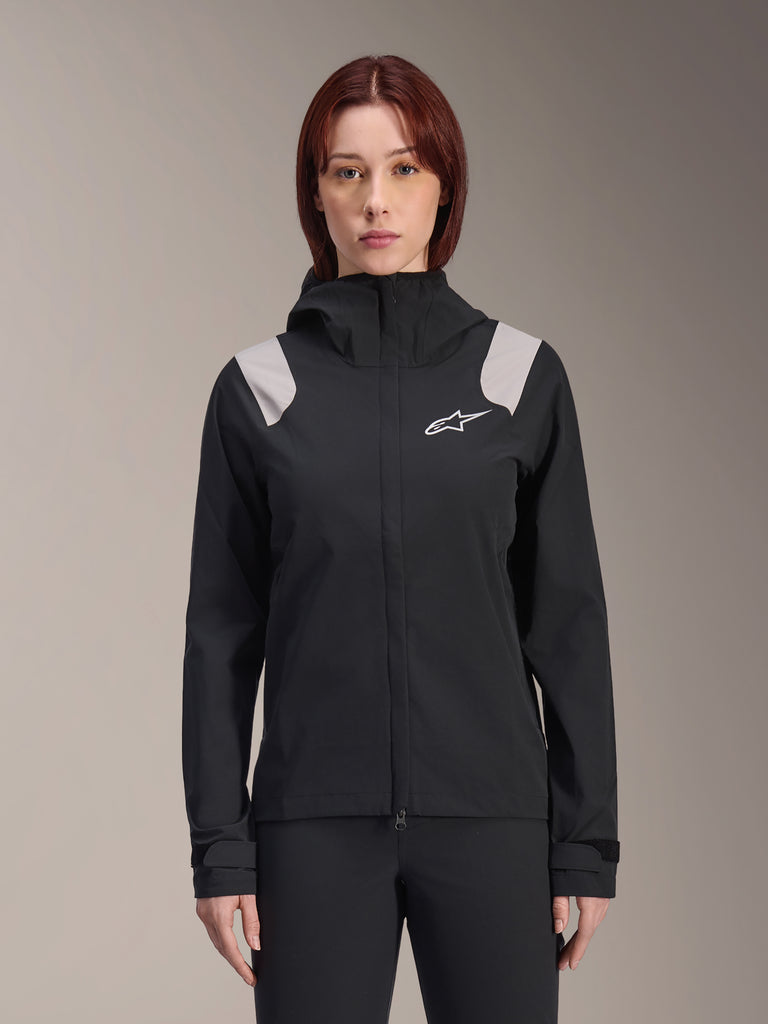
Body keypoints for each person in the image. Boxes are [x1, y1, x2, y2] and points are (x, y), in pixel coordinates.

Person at [182, 53, 620, 1023]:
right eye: (348, 171)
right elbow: (220, 637)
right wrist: (221, 848)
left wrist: (585, 844)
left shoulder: (519, 378)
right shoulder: (258, 391)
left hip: (493, 824)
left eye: (405, 168)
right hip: (311, 831)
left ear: (445, 185)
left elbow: (569, 625)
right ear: (316, 192)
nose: (376, 199)